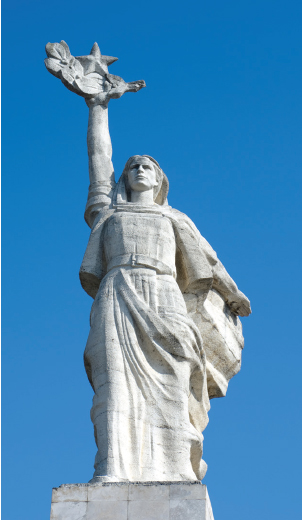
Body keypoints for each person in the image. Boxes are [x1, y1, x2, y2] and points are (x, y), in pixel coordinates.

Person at [79, 95, 251, 483]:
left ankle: (176, 468)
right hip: (117, 293)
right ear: (124, 179)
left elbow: (208, 262)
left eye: (148, 167)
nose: (140, 169)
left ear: (159, 180)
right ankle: (111, 468)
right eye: (133, 166)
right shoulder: (109, 213)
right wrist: (97, 107)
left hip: (164, 294)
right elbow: (98, 163)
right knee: (115, 383)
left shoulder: (174, 218)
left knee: (173, 378)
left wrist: (233, 295)